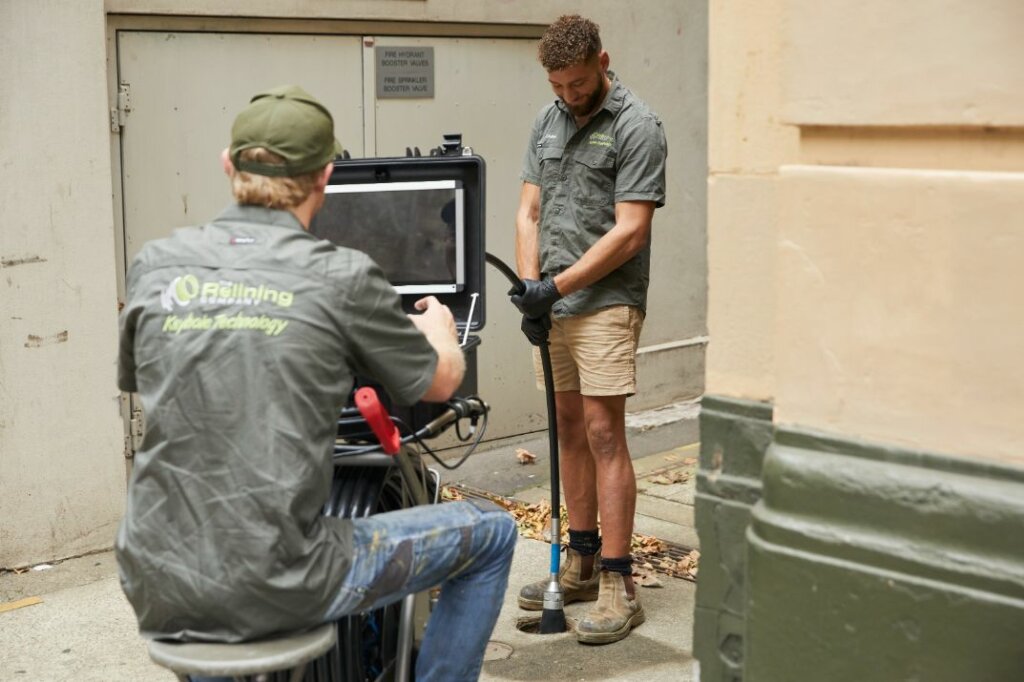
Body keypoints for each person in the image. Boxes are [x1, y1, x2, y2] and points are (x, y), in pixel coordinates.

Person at [116, 85, 516, 681]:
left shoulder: (156, 263)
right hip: (282, 580)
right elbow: (439, 381)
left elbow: (143, 378)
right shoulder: (339, 275)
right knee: (492, 533)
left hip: (154, 573)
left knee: (223, 596)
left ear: (229, 165)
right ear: (324, 177)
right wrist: (439, 330)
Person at [511, 15, 667, 645]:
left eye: (578, 83)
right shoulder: (547, 122)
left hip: (605, 303)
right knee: (567, 428)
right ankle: (578, 559)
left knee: (604, 431)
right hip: (553, 304)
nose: (569, 96)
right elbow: (528, 210)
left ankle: (616, 581)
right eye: (559, 86)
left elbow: (631, 230)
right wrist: (530, 290)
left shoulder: (637, 125)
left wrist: (559, 286)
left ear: (604, 61)